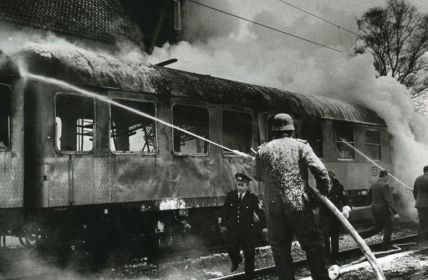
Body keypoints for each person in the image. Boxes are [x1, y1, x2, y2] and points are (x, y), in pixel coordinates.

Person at [254, 113, 331, 280]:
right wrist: (320, 195)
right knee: (313, 246)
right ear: (291, 130)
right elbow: (321, 172)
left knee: (280, 250)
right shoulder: (301, 146)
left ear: (273, 131)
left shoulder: (263, 150)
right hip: (298, 204)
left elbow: (257, 176)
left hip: (273, 208)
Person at [222, 172, 265, 280]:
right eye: (238, 185)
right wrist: (223, 223)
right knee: (231, 249)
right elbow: (225, 211)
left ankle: (249, 277)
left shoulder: (252, 198)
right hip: (233, 230)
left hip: (247, 231)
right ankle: (236, 260)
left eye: (242, 185)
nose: (240, 187)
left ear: (247, 186)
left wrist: (262, 224)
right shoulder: (231, 196)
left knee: (249, 255)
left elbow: (260, 212)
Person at [359, 170, 399, 249]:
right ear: (385, 176)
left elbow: (368, 196)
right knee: (388, 228)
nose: (388, 178)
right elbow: (389, 200)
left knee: (378, 227)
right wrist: (395, 212)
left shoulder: (374, 184)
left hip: (375, 209)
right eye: (387, 177)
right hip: (383, 210)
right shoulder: (385, 185)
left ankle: (360, 235)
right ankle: (386, 246)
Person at [320, 170, 351, 264]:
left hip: (335, 217)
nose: (328, 179)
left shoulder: (339, 187)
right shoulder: (321, 187)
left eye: (329, 177)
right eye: (326, 178)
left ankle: (334, 258)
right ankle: (326, 259)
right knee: (325, 238)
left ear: (332, 178)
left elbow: (346, 200)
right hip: (324, 216)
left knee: (334, 238)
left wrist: (346, 209)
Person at [413, 165, 428, 246]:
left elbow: (414, 192)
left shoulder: (418, 178)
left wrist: (418, 200)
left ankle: (420, 240)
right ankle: (424, 241)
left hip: (419, 204)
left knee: (421, 222)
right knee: (426, 222)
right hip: (427, 205)